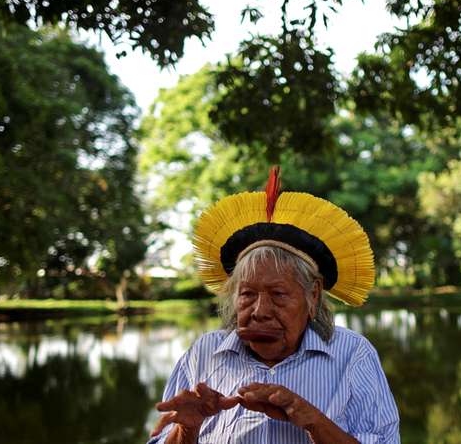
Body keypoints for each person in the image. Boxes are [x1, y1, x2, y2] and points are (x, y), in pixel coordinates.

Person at [147, 167, 400, 443]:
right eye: (247, 294)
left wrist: (312, 419)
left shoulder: (352, 354)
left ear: (313, 295)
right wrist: (187, 429)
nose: (260, 311)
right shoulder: (204, 353)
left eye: (278, 294)